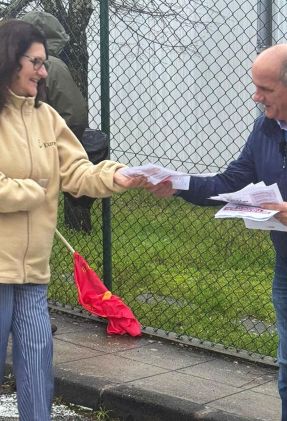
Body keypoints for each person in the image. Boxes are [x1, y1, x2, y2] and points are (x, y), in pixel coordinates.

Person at [148, 44, 287, 421]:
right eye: (256, 87)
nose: (256, 97)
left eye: (265, 89)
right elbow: (231, 180)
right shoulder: (266, 128)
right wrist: (178, 183)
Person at [0, 19, 145, 420]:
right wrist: (35, 190)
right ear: (10, 59)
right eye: (36, 62)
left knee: (37, 367)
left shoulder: (47, 117)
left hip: (33, 273)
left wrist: (117, 176)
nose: (43, 72)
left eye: (44, 63)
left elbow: (77, 172)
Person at [21, 11, 99, 234]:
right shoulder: (53, 66)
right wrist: (55, 147)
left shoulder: (12, 66)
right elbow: (75, 115)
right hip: (40, 156)